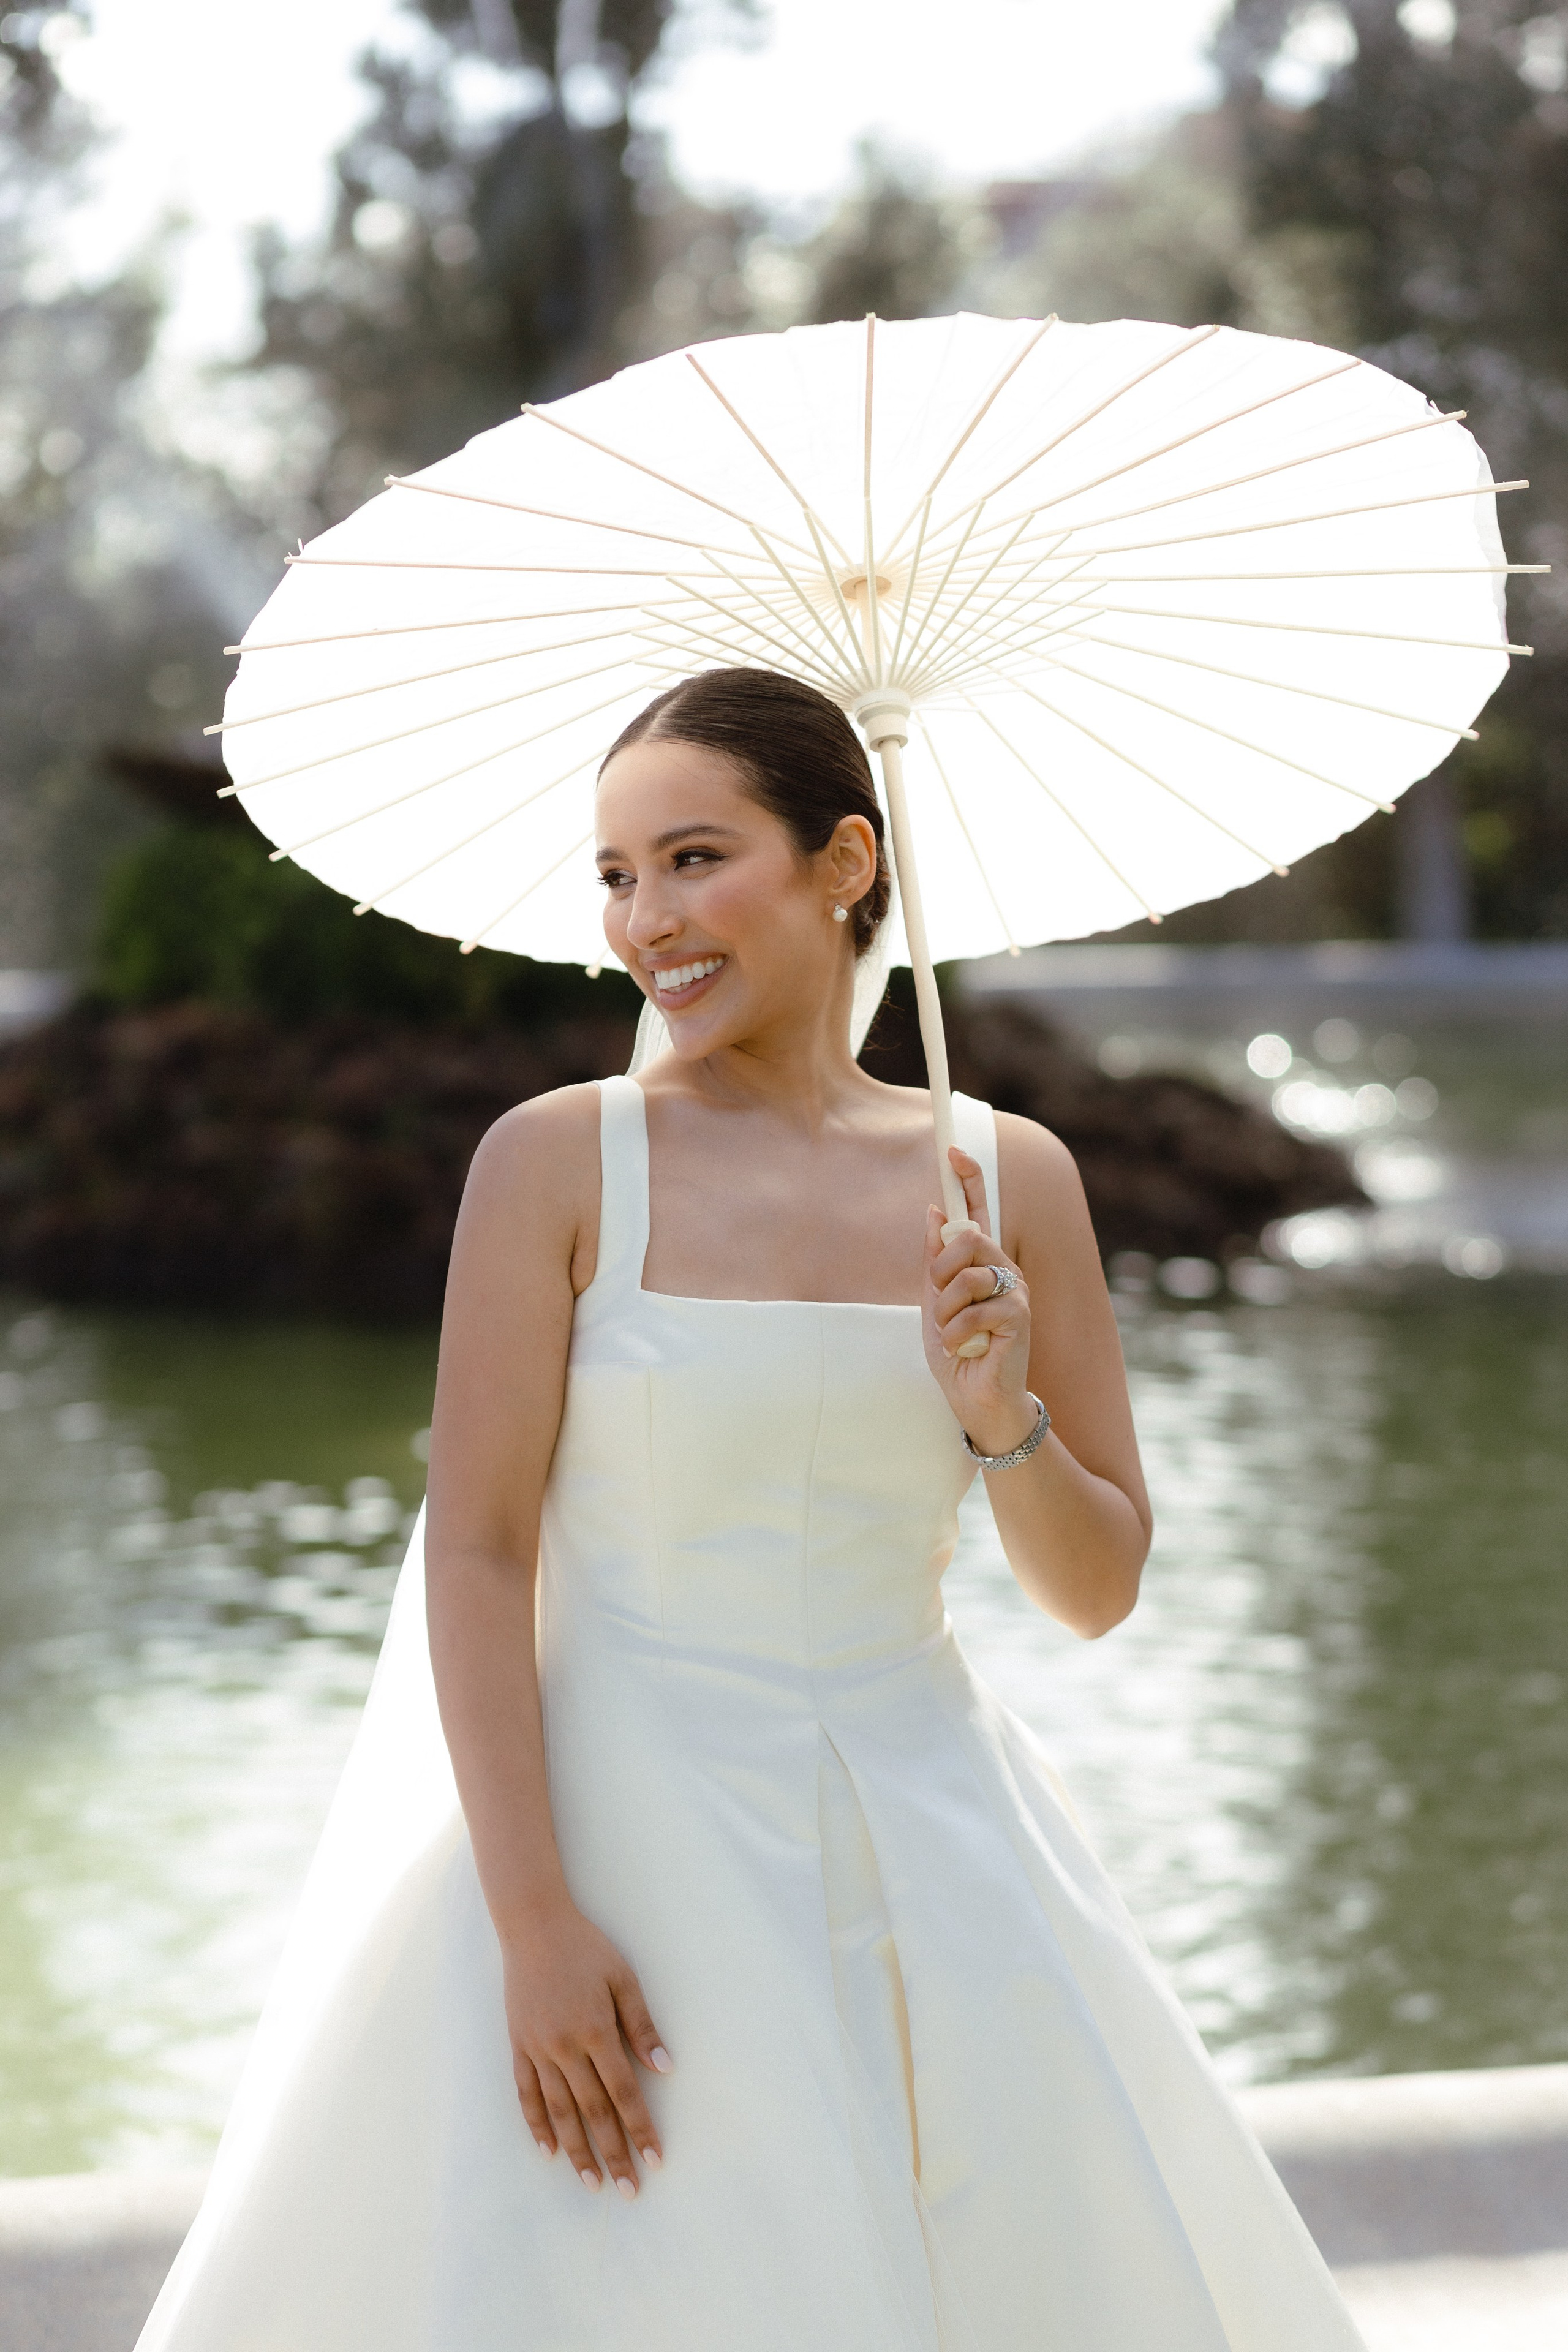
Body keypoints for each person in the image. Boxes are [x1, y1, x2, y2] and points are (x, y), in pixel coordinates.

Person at [135, 668, 1365, 2351]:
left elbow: (1096, 1590)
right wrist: (536, 1924)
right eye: (618, 875)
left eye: (695, 857)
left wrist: (1002, 1417)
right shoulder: (556, 1163)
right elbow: (482, 1553)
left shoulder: (1013, 1185)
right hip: (620, 1848)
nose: (649, 918)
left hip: (937, 1845)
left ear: (846, 860)